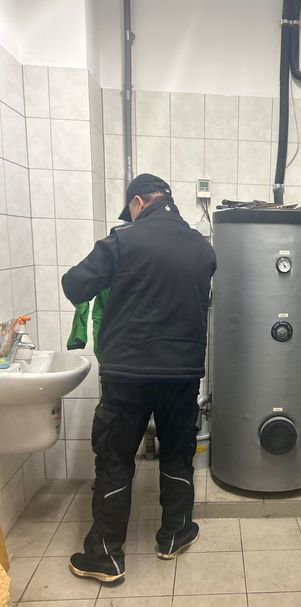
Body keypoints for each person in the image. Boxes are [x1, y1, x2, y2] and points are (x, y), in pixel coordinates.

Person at [61, 173, 216, 583]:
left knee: (115, 459)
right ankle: (175, 535)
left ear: (138, 203)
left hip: (128, 374)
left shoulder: (123, 241)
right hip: (183, 374)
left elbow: (75, 286)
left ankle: (105, 556)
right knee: (178, 453)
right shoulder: (203, 248)